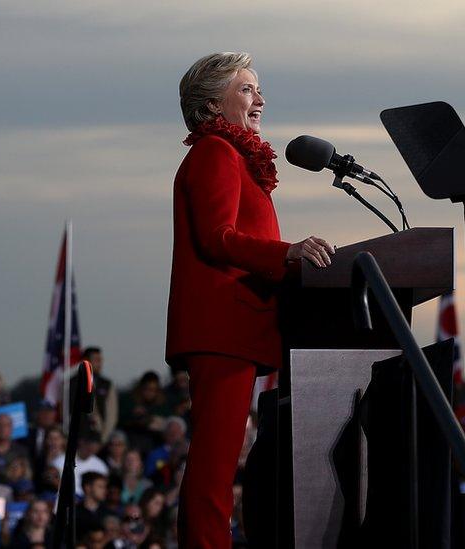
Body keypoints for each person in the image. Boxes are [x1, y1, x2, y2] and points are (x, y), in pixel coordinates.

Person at [169, 52, 335, 547]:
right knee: (215, 467)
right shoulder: (214, 153)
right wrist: (289, 252)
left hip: (239, 326)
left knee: (221, 464)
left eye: (257, 89)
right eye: (246, 89)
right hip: (221, 327)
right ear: (212, 102)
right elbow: (217, 238)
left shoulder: (232, 155)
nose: (259, 99)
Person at [81, 347, 118, 443]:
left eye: (101, 360)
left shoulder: (107, 384)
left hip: (101, 439)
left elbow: (112, 414)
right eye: (96, 360)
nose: (100, 363)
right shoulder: (72, 383)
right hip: (79, 439)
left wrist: (103, 439)